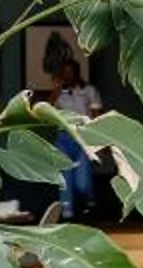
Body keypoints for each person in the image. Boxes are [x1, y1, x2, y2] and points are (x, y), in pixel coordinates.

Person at [45, 55, 109, 221]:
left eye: (70, 72)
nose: (67, 76)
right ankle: (67, 214)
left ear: (77, 73)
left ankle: (89, 201)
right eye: (64, 73)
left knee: (83, 183)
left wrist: (100, 142)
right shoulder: (59, 93)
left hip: (83, 138)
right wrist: (56, 91)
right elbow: (45, 111)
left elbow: (97, 117)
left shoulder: (88, 91)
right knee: (65, 178)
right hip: (63, 138)